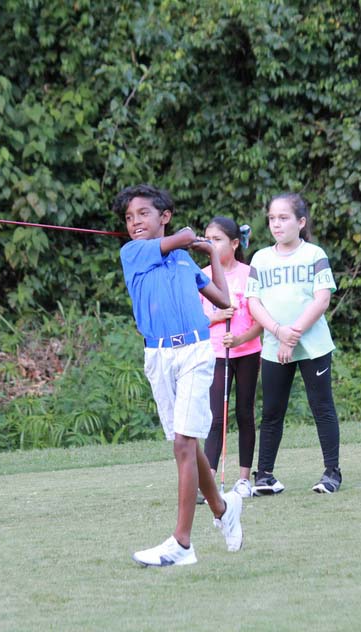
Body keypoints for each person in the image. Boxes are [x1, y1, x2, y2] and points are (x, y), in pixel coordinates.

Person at [114, 184, 243, 567]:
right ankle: (223, 508)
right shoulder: (132, 252)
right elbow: (180, 238)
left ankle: (182, 543)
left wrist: (212, 255)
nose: (135, 222)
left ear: (164, 216)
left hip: (195, 352)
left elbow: (224, 300)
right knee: (186, 443)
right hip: (158, 355)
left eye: (143, 214)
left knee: (184, 444)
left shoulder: (185, 262)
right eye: (129, 217)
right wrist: (187, 237)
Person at [246, 193, 342, 495]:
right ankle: (265, 476)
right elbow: (253, 302)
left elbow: (322, 299)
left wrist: (293, 334)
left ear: (301, 222)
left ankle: (332, 473)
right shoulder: (260, 258)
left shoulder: (314, 254)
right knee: (272, 411)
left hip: (313, 346)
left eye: (284, 218)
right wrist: (278, 332)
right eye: (272, 218)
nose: (276, 224)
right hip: (274, 346)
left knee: (322, 407)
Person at [200, 217, 263, 499]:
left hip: (247, 352)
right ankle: (208, 481)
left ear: (235, 243)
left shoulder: (250, 274)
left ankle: (244, 479)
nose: (210, 244)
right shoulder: (202, 275)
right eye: (207, 239)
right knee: (216, 417)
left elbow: (260, 321)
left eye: (217, 239)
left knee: (244, 413)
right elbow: (196, 319)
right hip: (216, 353)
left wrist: (239, 339)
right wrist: (217, 316)